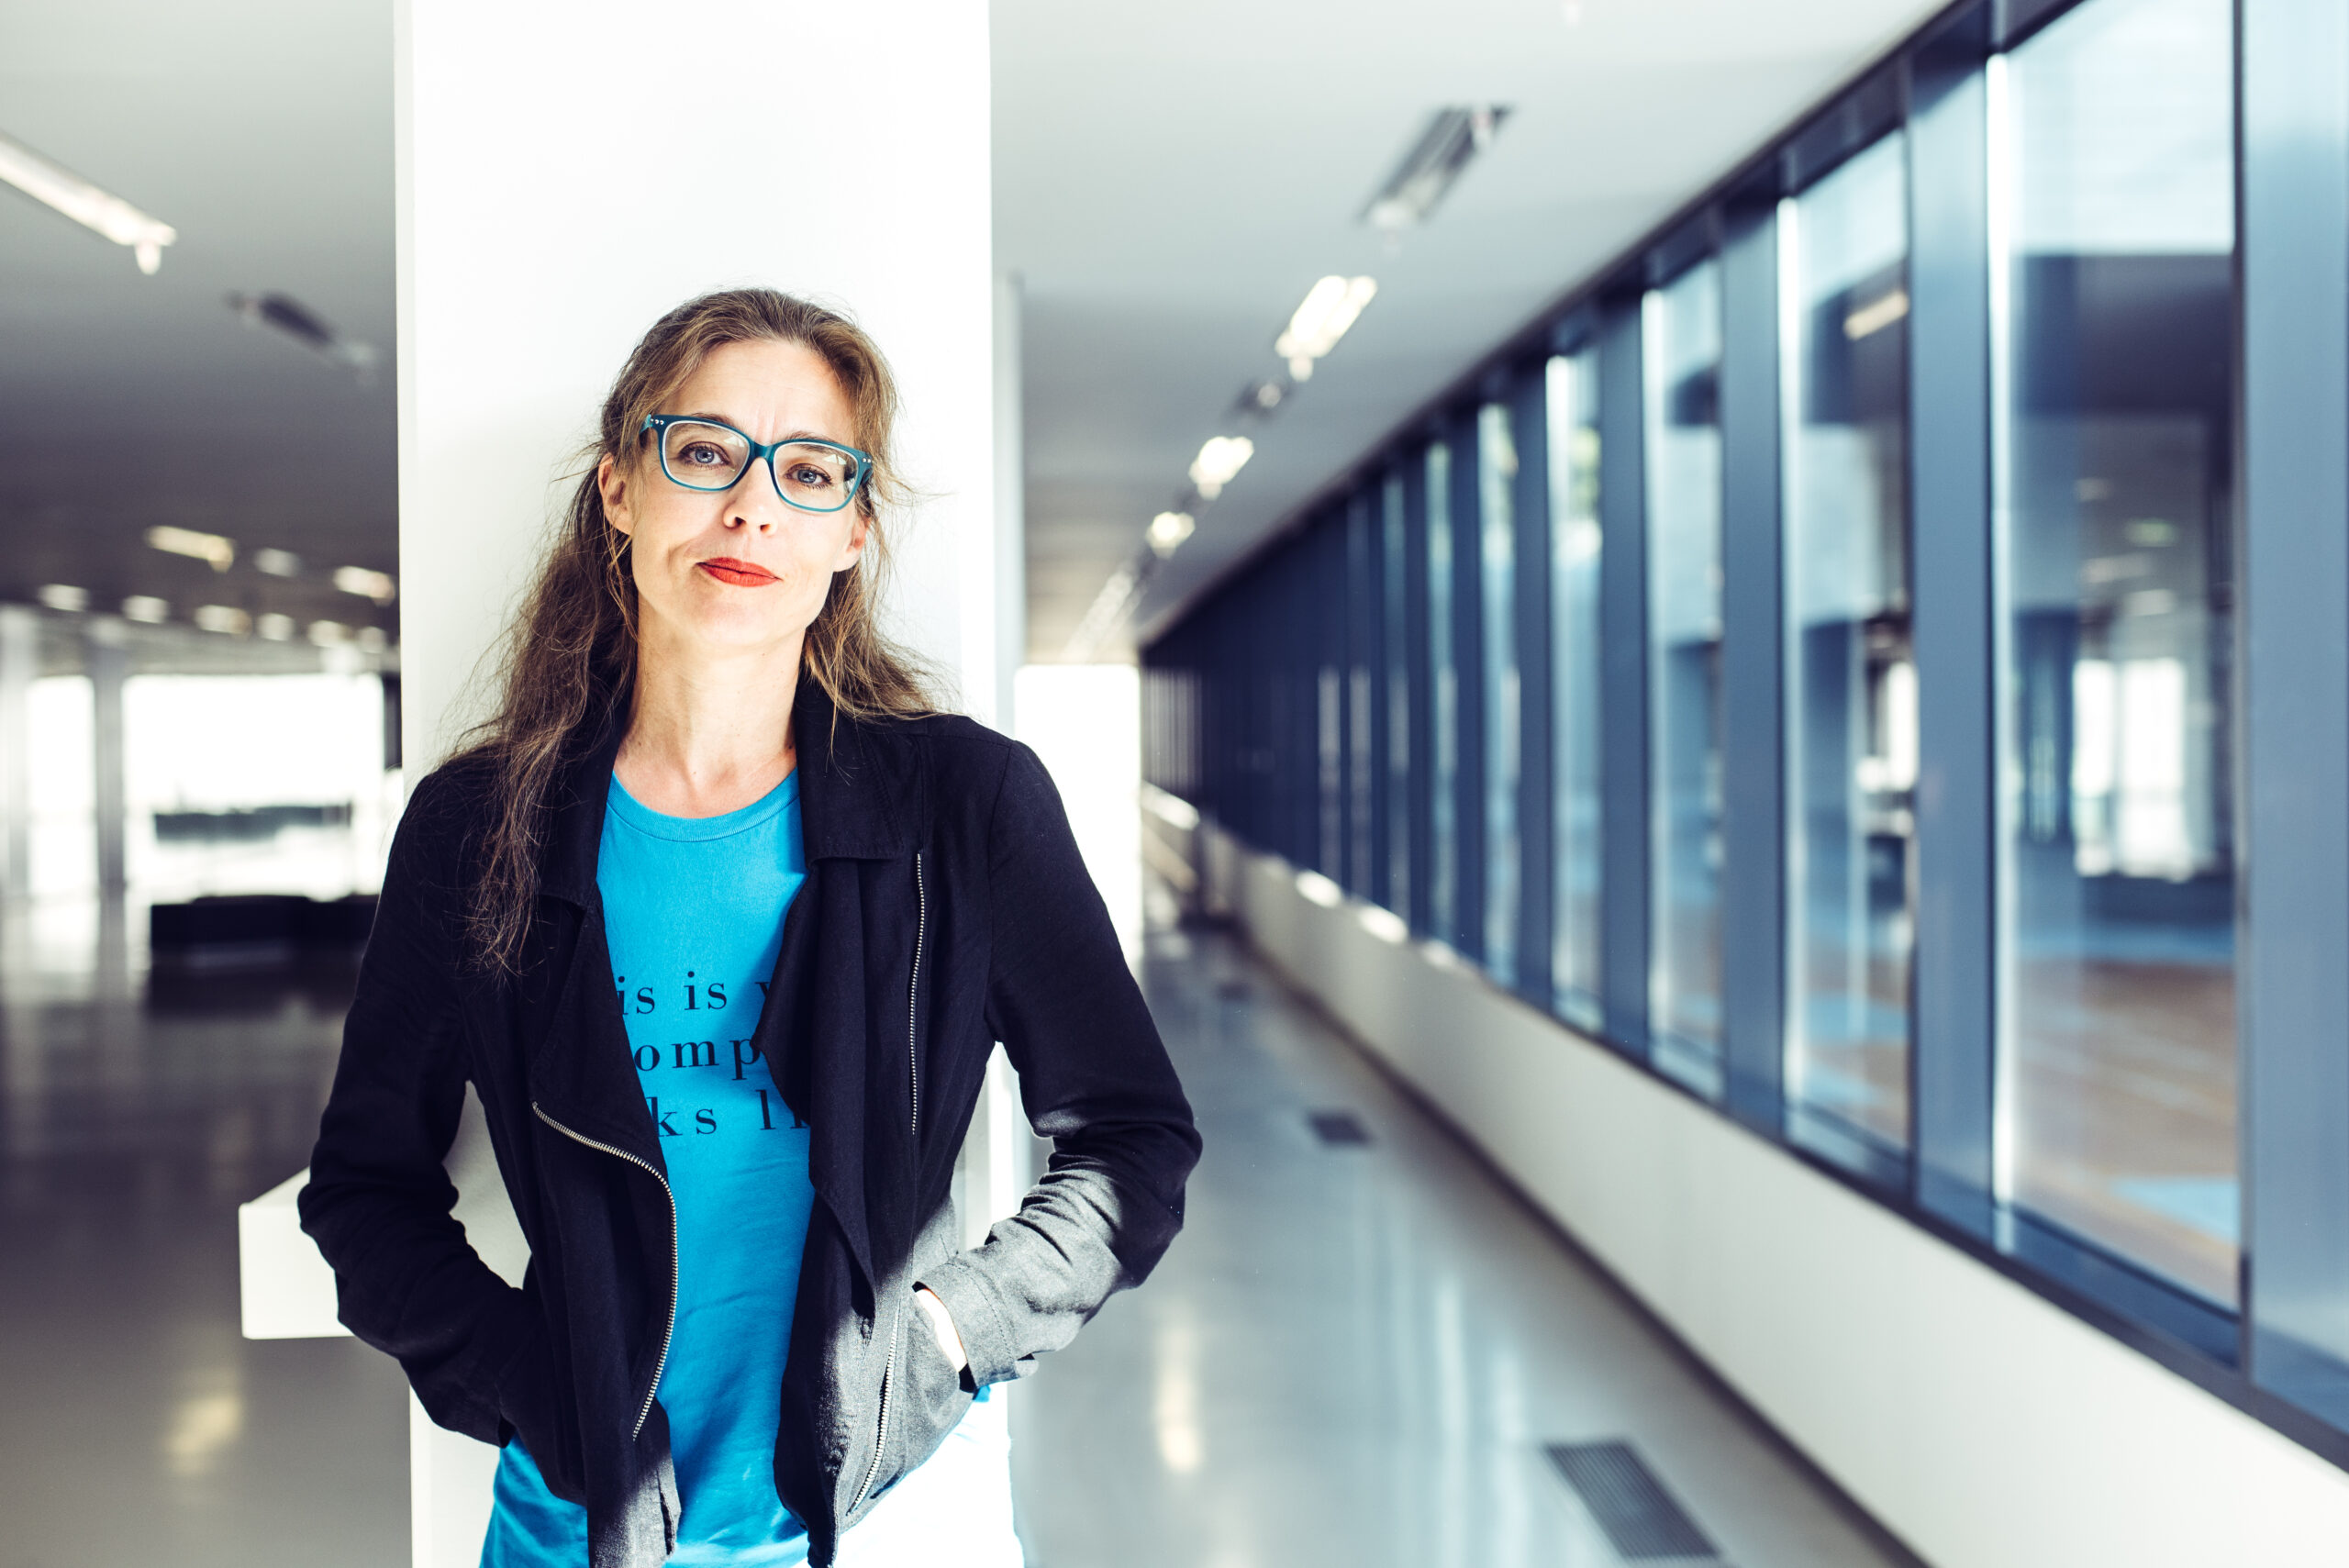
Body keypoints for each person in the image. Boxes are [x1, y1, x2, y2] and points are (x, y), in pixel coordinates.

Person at [299, 288, 1200, 1568]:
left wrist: (948, 1337)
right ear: (620, 487)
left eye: (811, 469)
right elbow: (364, 1193)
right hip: (579, 1532)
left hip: (897, 1524)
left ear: (855, 528)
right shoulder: (478, 825)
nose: (752, 506)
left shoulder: (965, 808)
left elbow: (1134, 1140)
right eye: (706, 451)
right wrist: (534, 1392)